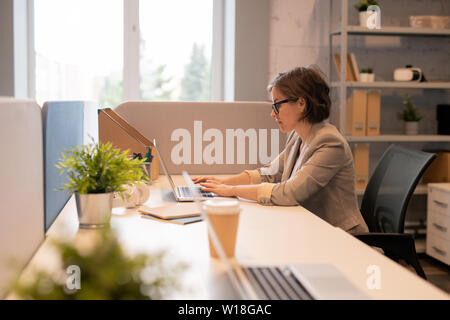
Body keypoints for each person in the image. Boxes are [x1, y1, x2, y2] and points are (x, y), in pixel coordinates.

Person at [194, 65, 368, 234]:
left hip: (341, 237)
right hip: (310, 229)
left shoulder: (329, 143)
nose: (273, 113)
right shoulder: (297, 136)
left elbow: (290, 192)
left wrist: (232, 191)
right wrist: (223, 182)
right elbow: (271, 173)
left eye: (277, 104)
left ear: (301, 103)